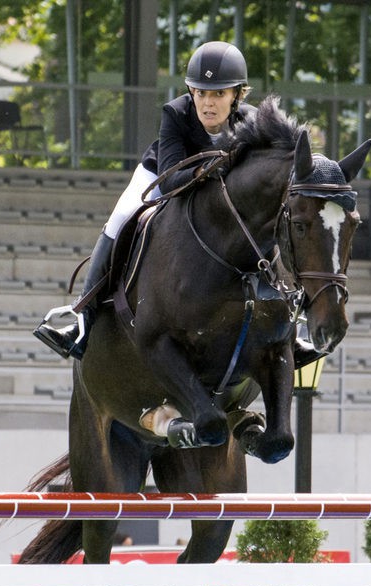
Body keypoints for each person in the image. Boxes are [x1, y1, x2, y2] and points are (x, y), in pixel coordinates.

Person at [34, 41, 256, 359]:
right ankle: (82, 316)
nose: (208, 103)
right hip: (159, 175)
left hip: (219, 190)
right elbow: (169, 181)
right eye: (201, 93)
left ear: (236, 94)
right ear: (191, 91)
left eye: (218, 94)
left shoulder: (251, 122)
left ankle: (293, 317)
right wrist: (208, 169)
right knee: (122, 217)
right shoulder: (176, 113)